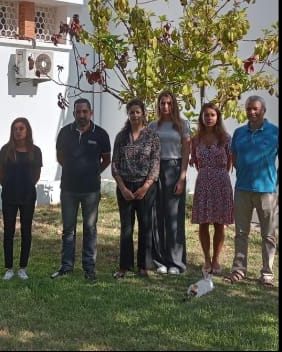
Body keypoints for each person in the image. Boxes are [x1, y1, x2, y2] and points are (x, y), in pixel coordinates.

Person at [52, 97, 111, 280]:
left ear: (90, 113)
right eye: (78, 112)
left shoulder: (100, 134)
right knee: (68, 229)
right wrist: (73, 170)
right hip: (69, 188)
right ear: (74, 113)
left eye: (85, 111)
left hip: (91, 190)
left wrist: (94, 172)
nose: (82, 115)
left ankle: (89, 268)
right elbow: (60, 157)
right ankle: (66, 267)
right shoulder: (64, 133)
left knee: (90, 228)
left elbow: (106, 159)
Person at [228, 94, 278, 287]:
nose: (252, 112)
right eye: (249, 108)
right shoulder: (239, 133)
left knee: (268, 234)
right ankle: (239, 270)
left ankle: (267, 273)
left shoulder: (274, 132)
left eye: (255, 108)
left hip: (267, 191)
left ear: (263, 111)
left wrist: (275, 181)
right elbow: (234, 157)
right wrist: (242, 173)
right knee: (241, 232)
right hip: (242, 190)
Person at [111, 98, 160, 279]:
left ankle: (144, 266)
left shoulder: (152, 136)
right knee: (126, 228)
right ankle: (124, 266)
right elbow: (114, 164)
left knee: (146, 226)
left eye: (137, 112)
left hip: (145, 187)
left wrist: (145, 187)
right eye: (131, 112)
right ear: (128, 114)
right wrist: (122, 187)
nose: (134, 115)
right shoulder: (121, 137)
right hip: (125, 187)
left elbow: (155, 164)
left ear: (143, 114)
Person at [189, 102, 234, 276]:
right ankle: (206, 259)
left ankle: (216, 259)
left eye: (212, 115)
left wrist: (219, 174)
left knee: (219, 224)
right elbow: (196, 161)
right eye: (206, 115)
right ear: (202, 117)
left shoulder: (226, 138)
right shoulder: (196, 139)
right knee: (203, 223)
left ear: (218, 117)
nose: (209, 118)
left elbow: (230, 161)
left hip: (221, 183)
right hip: (203, 184)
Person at [150, 90, 190, 274]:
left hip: (174, 169)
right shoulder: (152, 126)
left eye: (169, 103)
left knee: (174, 218)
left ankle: (176, 262)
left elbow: (186, 153)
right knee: (157, 216)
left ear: (174, 105)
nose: (165, 106)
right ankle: (160, 261)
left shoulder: (182, 125)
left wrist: (182, 178)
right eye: (162, 103)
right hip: (157, 170)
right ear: (158, 105)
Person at [0, 117, 42, 280]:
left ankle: (23, 267)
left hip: (28, 196)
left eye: (21, 128)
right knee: (8, 231)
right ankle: (9, 268)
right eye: (15, 128)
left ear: (27, 130)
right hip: (9, 195)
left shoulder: (35, 151)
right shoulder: (5, 150)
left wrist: (27, 185)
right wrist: (9, 185)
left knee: (26, 230)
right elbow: (0, 172)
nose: (18, 131)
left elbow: (36, 174)